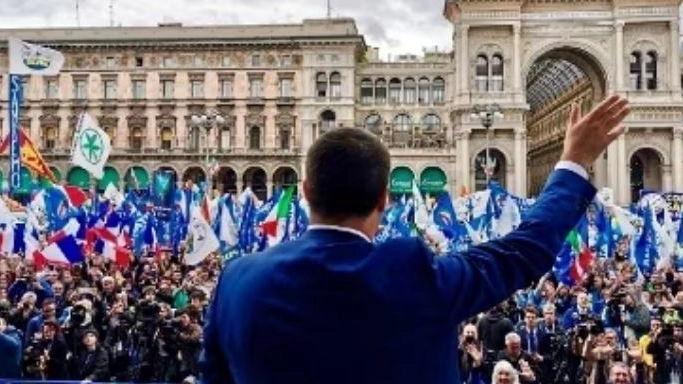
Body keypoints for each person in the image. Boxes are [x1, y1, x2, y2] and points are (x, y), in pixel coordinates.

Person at [200, 95, 630, 384]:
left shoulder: (237, 281)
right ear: (384, 198)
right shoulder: (410, 273)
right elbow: (524, 250)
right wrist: (574, 161)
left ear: (306, 190)